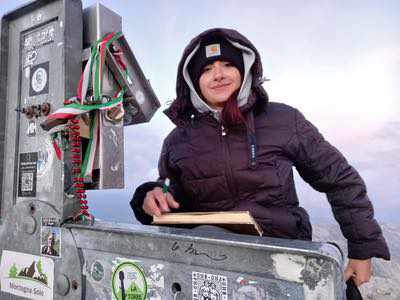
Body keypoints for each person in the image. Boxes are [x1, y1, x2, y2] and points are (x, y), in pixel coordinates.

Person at [130, 28, 390, 287]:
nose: (218, 75)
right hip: (211, 270)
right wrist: (149, 195)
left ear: (244, 70)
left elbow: (339, 179)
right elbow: (171, 197)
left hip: (283, 262)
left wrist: (362, 248)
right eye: (206, 69)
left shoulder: (284, 120)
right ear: (194, 82)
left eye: (228, 64)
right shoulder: (177, 141)